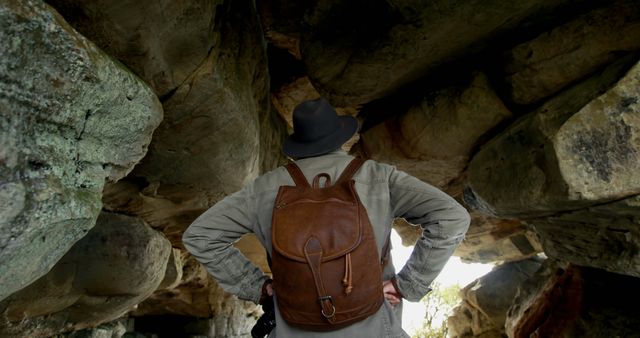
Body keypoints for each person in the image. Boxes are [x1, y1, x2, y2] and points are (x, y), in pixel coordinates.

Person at [182, 97, 470, 337]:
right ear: (340, 137)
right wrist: (407, 284)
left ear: (299, 145)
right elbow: (452, 217)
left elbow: (200, 235)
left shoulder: (264, 189)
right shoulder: (378, 177)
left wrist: (256, 286)